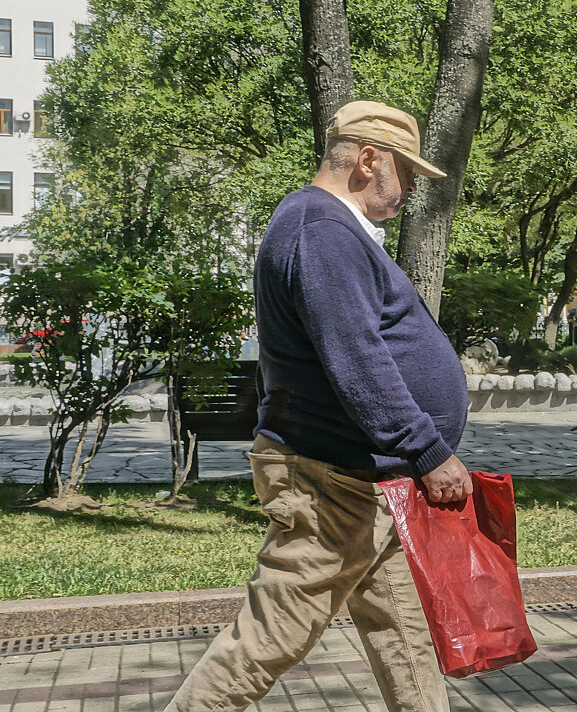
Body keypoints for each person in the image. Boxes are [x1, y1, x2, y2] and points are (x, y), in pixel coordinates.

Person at [164, 101, 471, 712]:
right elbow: (355, 356)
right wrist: (427, 449)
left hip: (363, 477)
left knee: (404, 636)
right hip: (333, 483)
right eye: (405, 174)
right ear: (367, 160)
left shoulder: (327, 226)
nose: (409, 189)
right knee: (267, 638)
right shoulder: (322, 228)